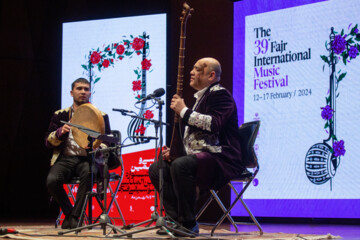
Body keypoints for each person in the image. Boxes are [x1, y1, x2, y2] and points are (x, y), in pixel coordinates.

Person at [149, 57, 247, 236]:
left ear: (211, 75)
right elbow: (197, 140)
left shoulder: (221, 95)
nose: (191, 72)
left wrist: (183, 111)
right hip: (204, 157)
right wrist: (176, 152)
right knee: (158, 168)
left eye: (197, 69)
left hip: (223, 158)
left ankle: (188, 223)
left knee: (181, 165)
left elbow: (214, 124)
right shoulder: (202, 97)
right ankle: (174, 219)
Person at [45, 78, 111, 229]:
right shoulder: (60, 115)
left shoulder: (101, 115)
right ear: (71, 92)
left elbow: (108, 140)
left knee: (89, 174)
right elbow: (47, 142)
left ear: (90, 93)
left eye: (86, 89)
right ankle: (71, 214)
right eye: (79, 88)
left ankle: (74, 218)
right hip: (65, 158)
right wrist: (60, 132)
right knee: (51, 181)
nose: (83, 92)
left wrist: (97, 146)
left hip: (87, 159)